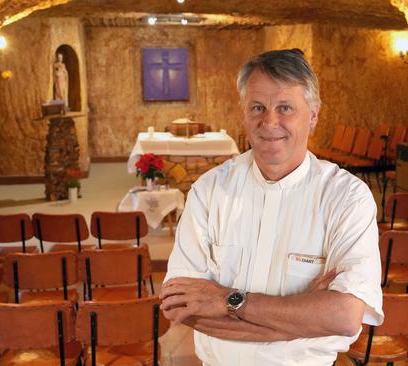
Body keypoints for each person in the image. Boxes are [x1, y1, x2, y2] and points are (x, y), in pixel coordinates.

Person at [160, 49, 383, 365]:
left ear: (314, 115)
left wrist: (225, 299)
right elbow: (179, 306)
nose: (269, 121)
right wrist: (304, 317)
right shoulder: (209, 191)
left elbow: (345, 316)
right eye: (257, 107)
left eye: (285, 108)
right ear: (244, 114)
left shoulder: (347, 198)